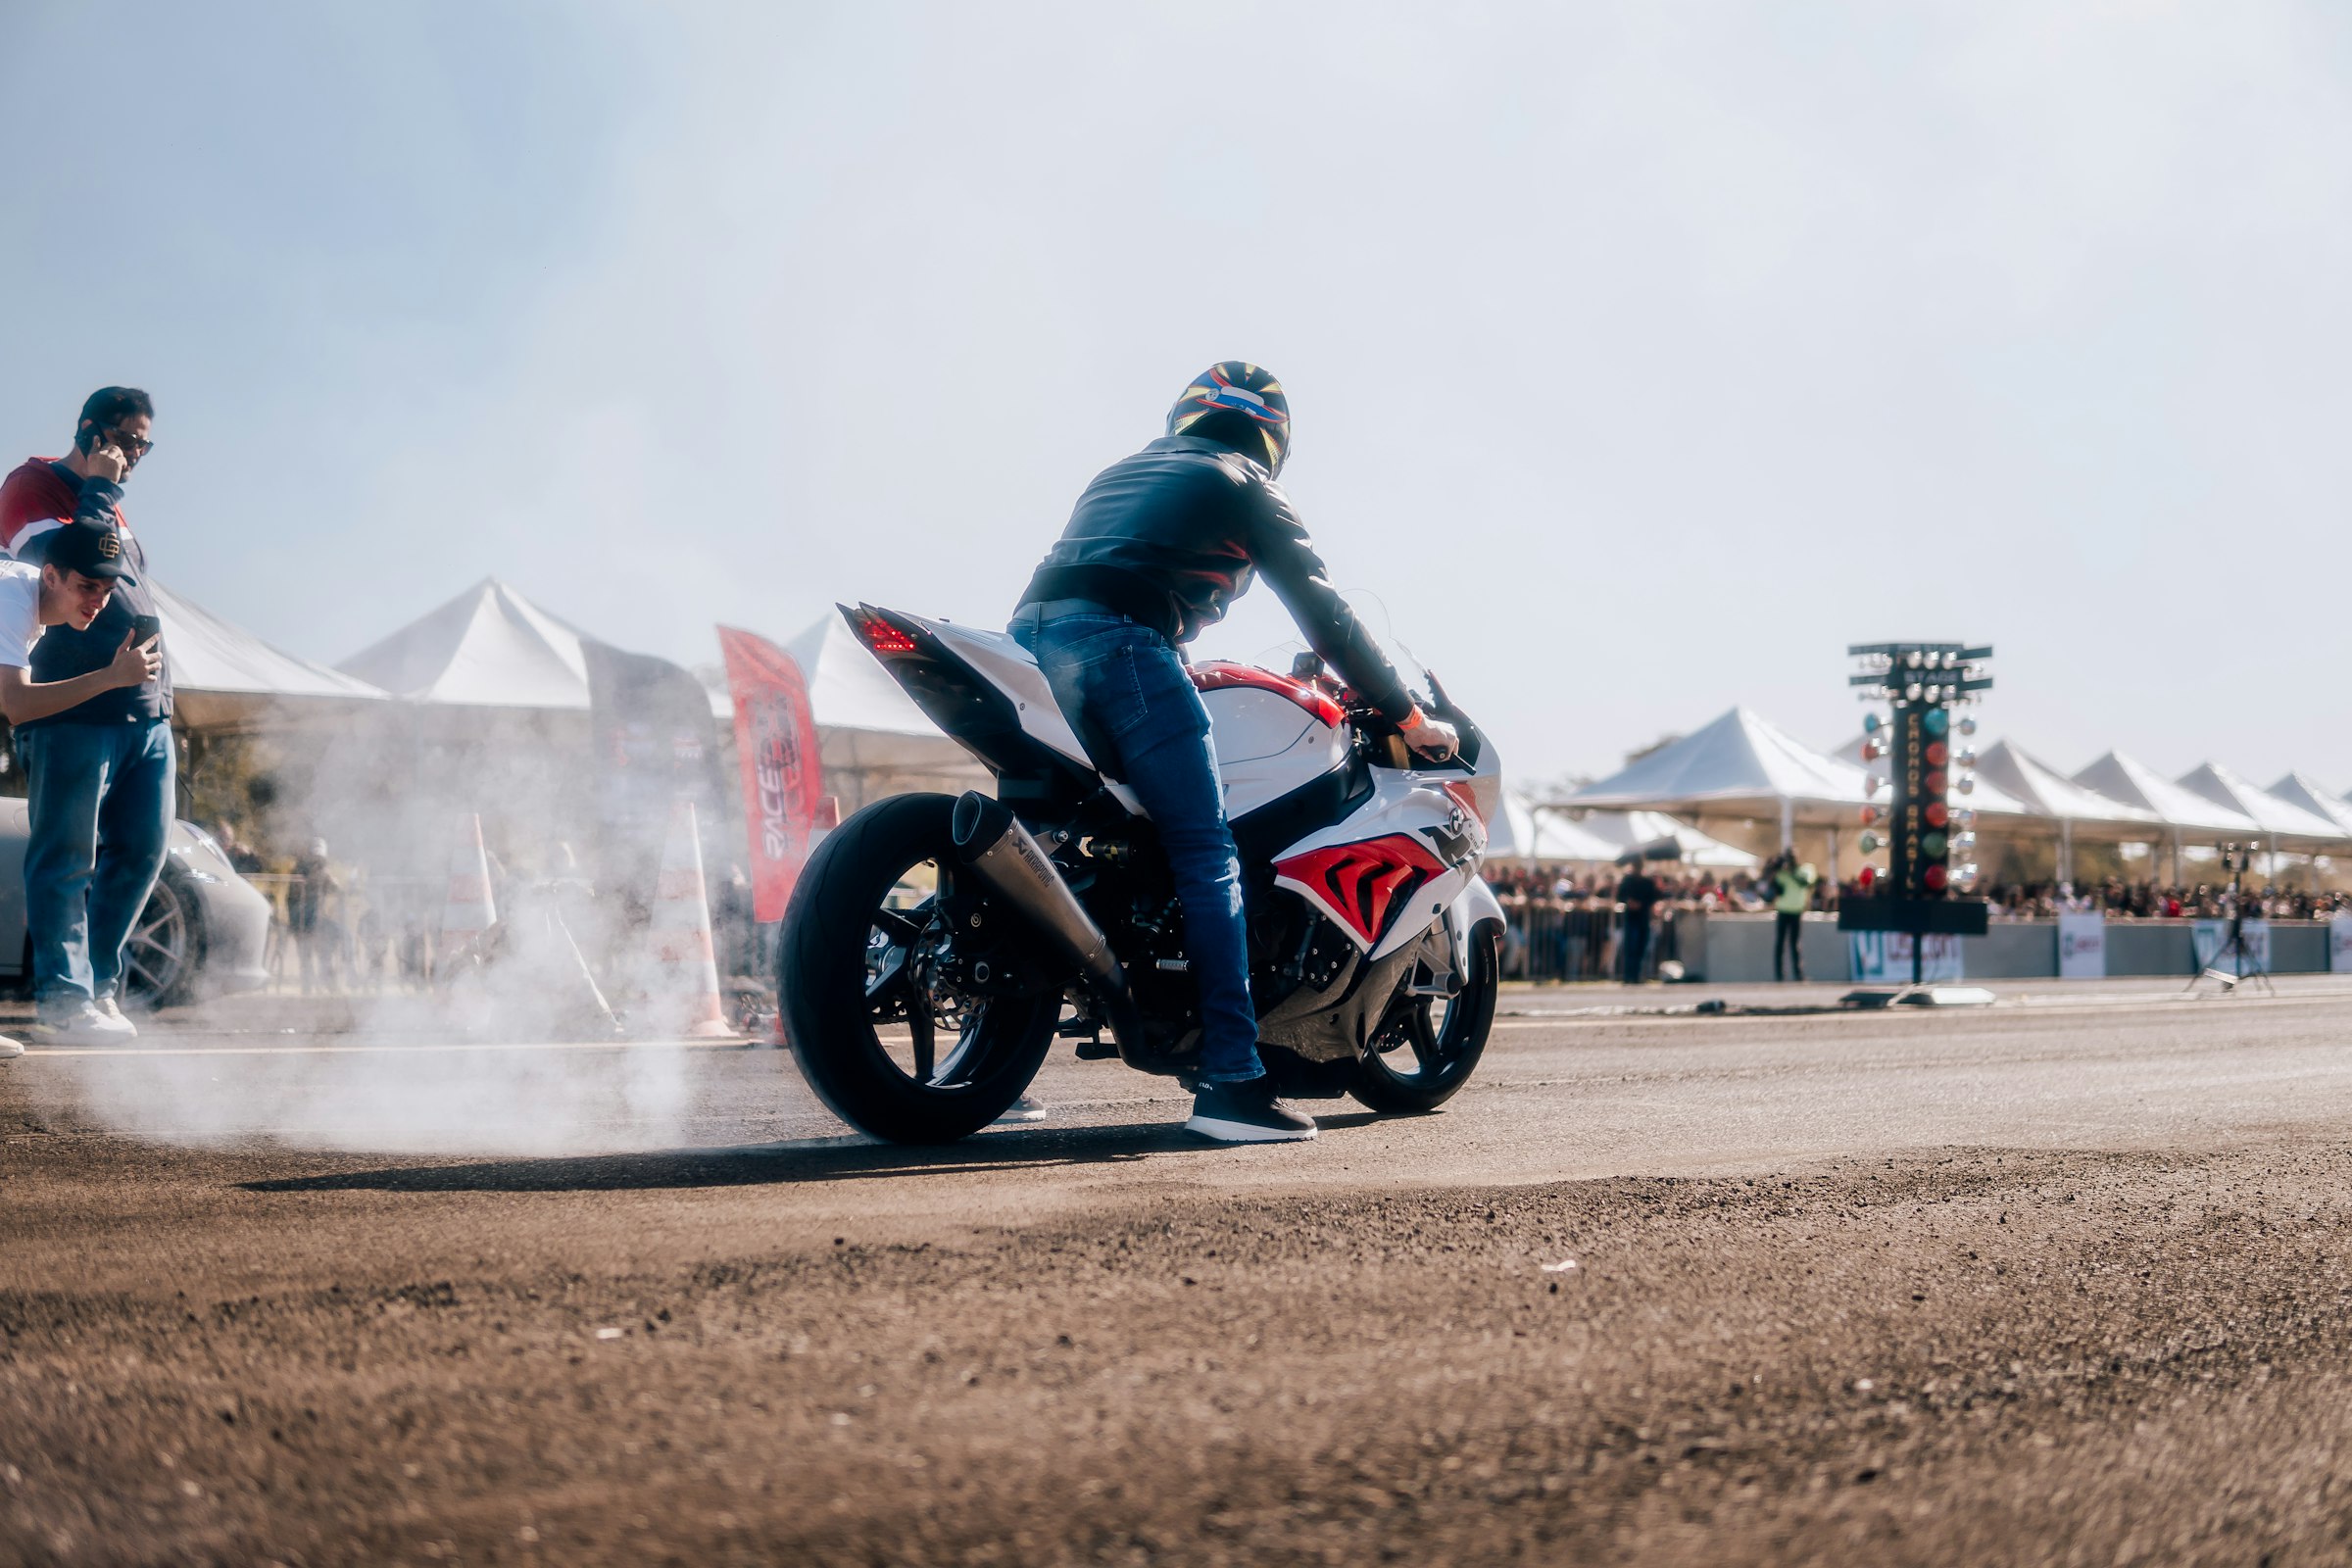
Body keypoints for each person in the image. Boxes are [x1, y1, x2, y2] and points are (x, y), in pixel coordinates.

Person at [1010, 362, 1458, 1144]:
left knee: (1036, 848)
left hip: (1027, 642)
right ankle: (1230, 1081)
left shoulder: (1124, 469)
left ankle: (994, 1062)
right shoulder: (1246, 482)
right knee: (1206, 851)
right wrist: (1405, 713)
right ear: (1272, 436)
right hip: (1122, 647)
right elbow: (1324, 612)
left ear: (1189, 414)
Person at [0, 389, 174, 1043]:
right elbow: (67, 564)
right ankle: (63, 997)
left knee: (143, 851)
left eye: (144, 444)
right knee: (65, 858)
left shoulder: (115, 504)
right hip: (72, 707)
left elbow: (125, 587)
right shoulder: (35, 483)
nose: (135, 453)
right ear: (90, 431)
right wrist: (101, 489)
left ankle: (98, 990)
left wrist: (157, 695)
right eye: (127, 438)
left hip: (144, 708)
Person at [1765, 852, 1819, 982]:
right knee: (1780, 944)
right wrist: (1774, 868)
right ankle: (1779, 975)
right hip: (1783, 911)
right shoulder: (1782, 873)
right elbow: (1774, 889)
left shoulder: (1805, 870)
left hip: (1796, 911)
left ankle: (1798, 974)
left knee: (1795, 944)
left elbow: (1805, 883)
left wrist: (1791, 872)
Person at [1616, 858, 1661, 982]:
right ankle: (1628, 975)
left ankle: (1637, 975)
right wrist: (1628, 901)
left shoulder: (1647, 882)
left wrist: (1641, 904)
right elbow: (1620, 896)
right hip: (1631, 918)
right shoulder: (1627, 880)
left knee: (1641, 947)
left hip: (1643, 918)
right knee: (1630, 947)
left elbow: (1653, 897)